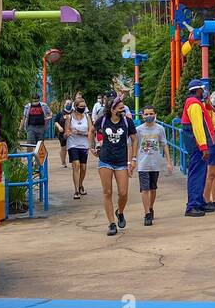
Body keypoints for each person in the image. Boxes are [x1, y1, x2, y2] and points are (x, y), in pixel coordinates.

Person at [93, 95, 137, 237]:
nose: (122, 110)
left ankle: (120, 212)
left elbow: (134, 139)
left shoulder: (127, 121)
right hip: (105, 159)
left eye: (123, 108)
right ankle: (111, 223)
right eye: (120, 108)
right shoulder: (103, 120)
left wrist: (133, 159)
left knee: (123, 193)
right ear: (112, 109)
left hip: (121, 161)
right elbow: (91, 131)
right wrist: (91, 147)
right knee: (107, 192)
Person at [134, 105, 172, 227]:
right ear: (142, 115)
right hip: (143, 163)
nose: (149, 116)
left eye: (151, 113)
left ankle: (150, 207)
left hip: (155, 163)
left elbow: (164, 144)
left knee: (153, 188)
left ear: (155, 114)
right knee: (144, 189)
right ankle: (147, 214)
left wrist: (169, 162)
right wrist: (132, 160)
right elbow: (134, 145)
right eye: (146, 114)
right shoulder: (138, 130)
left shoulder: (160, 129)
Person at [181, 78, 212, 218]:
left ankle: (199, 202)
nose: (204, 92)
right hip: (197, 146)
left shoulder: (196, 103)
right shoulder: (194, 104)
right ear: (198, 90)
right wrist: (204, 147)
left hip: (196, 145)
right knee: (196, 175)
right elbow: (198, 127)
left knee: (201, 174)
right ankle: (192, 205)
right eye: (203, 89)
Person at [65, 97, 92, 198]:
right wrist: (68, 133)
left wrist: (81, 133)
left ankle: (80, 184)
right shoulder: (69, 117)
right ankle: (76, 190)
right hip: (73, 144)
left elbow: (91, 131)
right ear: (75, 107)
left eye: (84, 107)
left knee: (83, 167)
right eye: (81, 107)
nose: (83, 108)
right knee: (76, 165)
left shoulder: (87, 117)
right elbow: (66, 131)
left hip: (84, 144)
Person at [51, 100, 69, 167]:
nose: (69, 105)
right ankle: (63, 162)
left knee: (72, 148)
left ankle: (74, 161)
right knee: (63, 148)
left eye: (70, 103)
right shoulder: (60, 113)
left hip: (72, 133)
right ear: (64, 104)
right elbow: (56, 122)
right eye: (67, 103)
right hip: (62, 133)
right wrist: (59, 127)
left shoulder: (74, 113)